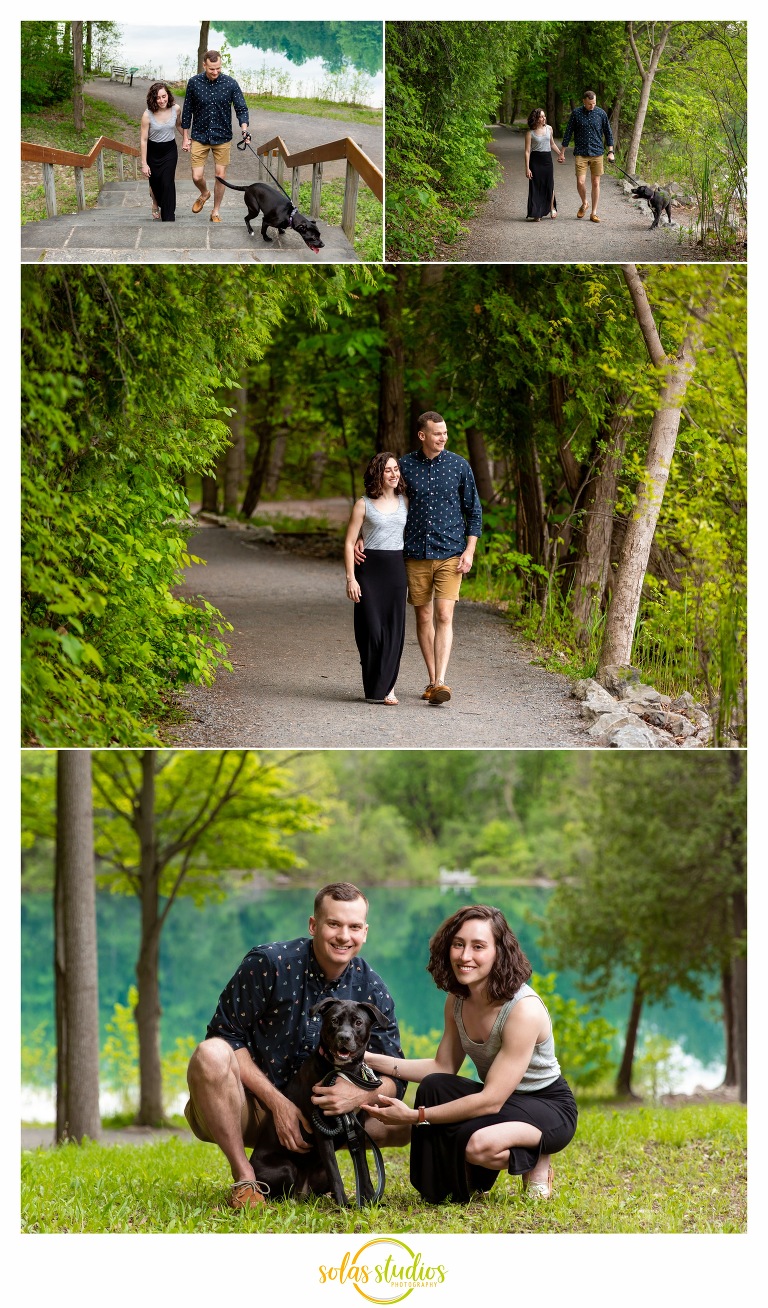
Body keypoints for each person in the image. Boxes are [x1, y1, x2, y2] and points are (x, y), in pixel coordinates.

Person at [184, 881, 408, 1209]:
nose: (344, 936)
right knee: (210, 1053)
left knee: (401, 1120)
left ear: (365, 932)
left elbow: (395, 1076)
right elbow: (226, 1036)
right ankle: (246, 1180)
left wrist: (358, 1096)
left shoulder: (372, 988)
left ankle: (314, 1175)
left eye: (354, 927)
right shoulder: (269, 963)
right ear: (313, 925)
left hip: (328, 1112)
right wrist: (278, 1103)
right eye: (334, 924)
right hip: (254, 1105)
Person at [364, 904, 578, 1204]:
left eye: (478, 946)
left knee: (478, 1146)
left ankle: (537, 1156)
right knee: (435, 1085)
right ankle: (459, 1181)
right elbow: (442, 1066)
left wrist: (413, 1116)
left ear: (499, 952)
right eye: (458, 944)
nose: (465, 956)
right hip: (502, 1101)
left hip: (546, 1105)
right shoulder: (458, 1000)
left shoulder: (523, 1010)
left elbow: (490, 1100)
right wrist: (367, 1058)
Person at [355, 412, 482, 705]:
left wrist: (469, 550)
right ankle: (431, 679)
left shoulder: (459, 465)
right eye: (437, 433)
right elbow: (382, 499)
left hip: (451, 552)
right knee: (424, 616)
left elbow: (474, 511)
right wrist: (365, 532)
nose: (443, 438)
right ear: (422, 435)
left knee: (444, 615)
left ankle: (439, 681)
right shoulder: (405, 467)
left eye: (445, 433)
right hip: (413, 554)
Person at [344, 452, 408, 705]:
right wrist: (351, 578)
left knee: (394, 630)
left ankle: (389, 687)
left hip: (395, 570)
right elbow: (349, 543)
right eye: (388, 470)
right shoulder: (363, 504)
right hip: (368, 570)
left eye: (396, 469)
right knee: (370, 630)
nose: (394, 474)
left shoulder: (406, 501)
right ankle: (373, 686)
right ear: (377, 473)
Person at [181, 49, 250, 223]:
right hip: (200, 135)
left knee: (220, 176)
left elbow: (241, 108)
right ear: (204, 65)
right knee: (196, 176)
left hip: (222, 136)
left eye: (218, 68)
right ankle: (204, 193)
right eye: (212, 68)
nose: (215, 72)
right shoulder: (194, 83)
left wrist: (244, 129)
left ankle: (216, 211)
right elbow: (187, 111)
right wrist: (185, 137)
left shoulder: (230, 83)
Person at [559, 89, 615, 223]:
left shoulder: (601, 113)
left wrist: (611, 152)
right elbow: (568, 132)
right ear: (584, 101)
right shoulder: (576, 113)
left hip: (597, 153)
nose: (592, 106)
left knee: (596, 182)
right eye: (590, 104)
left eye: (594, 103)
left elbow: (608, 133)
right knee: (580, 182)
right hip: (581, 152)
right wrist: (562, 152)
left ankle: (594, 213)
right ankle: (585, 203)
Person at [140, 82, 182, 222]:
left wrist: (188, 138)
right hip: (153, 152)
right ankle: (155, 203)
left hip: (170, 150)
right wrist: (144, 163)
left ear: (168, 95)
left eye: (164, 96)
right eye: (158, 98)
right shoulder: (147, 115)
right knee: (156, 183)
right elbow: (144, 140)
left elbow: (178, 125)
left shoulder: (176, 109)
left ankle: (169, 216)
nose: (162, 100)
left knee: (167, 183)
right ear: (153, 99)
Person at [524, 108, 563, 221]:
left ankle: (552, 207)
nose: (544, 118)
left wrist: (560, 154)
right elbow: (527, 151)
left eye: (544, 116)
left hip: (547, 160)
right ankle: (537, 212)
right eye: (541, 116)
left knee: (549, 184)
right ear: (535, 118)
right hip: (535, 161)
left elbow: (552, 144)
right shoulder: (530, 133)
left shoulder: (549, 128)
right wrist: (527, 168)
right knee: (536, 186)